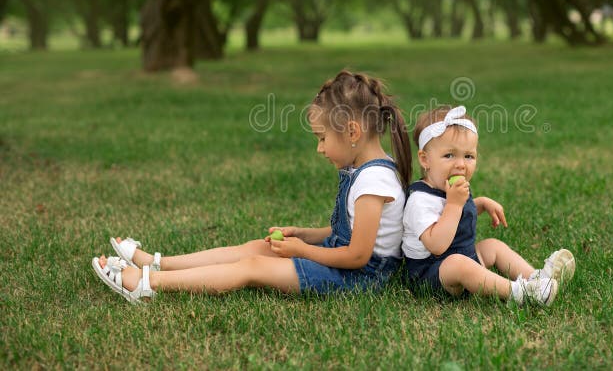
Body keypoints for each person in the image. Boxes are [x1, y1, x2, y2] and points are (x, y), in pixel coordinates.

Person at [92, 70, 412, 303]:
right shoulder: (364, 171)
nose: (320, 148)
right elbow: (348, 234)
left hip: (360, 279)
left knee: (253, 267)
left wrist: (302, 251)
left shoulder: (373, 182)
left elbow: (357, 255)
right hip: (344, 262)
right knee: (256, 248)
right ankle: (156, 262)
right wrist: (303, 234)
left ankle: (147, 284)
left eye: (322, 138)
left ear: (353, 132)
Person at [402, 105, 575, 306]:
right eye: (449, 155)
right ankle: (520, 293)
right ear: (425, 159)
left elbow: (450, 217)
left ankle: (537, 278)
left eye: (468, 156)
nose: (460, 164)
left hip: (462, 258)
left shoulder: (450, 191)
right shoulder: (420, 200)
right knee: (457, 264)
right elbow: (437, 245)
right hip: (431, 273)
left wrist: (478, 204)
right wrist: (455, 205)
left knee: (492, 246)